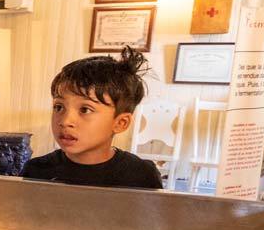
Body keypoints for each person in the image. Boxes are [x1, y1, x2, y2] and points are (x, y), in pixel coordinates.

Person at [21, 47, 162, 190]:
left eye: (85, 109)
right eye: (59, 107)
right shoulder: (36, 171)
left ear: (120, 123)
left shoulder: (142, 176)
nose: (65, 121)